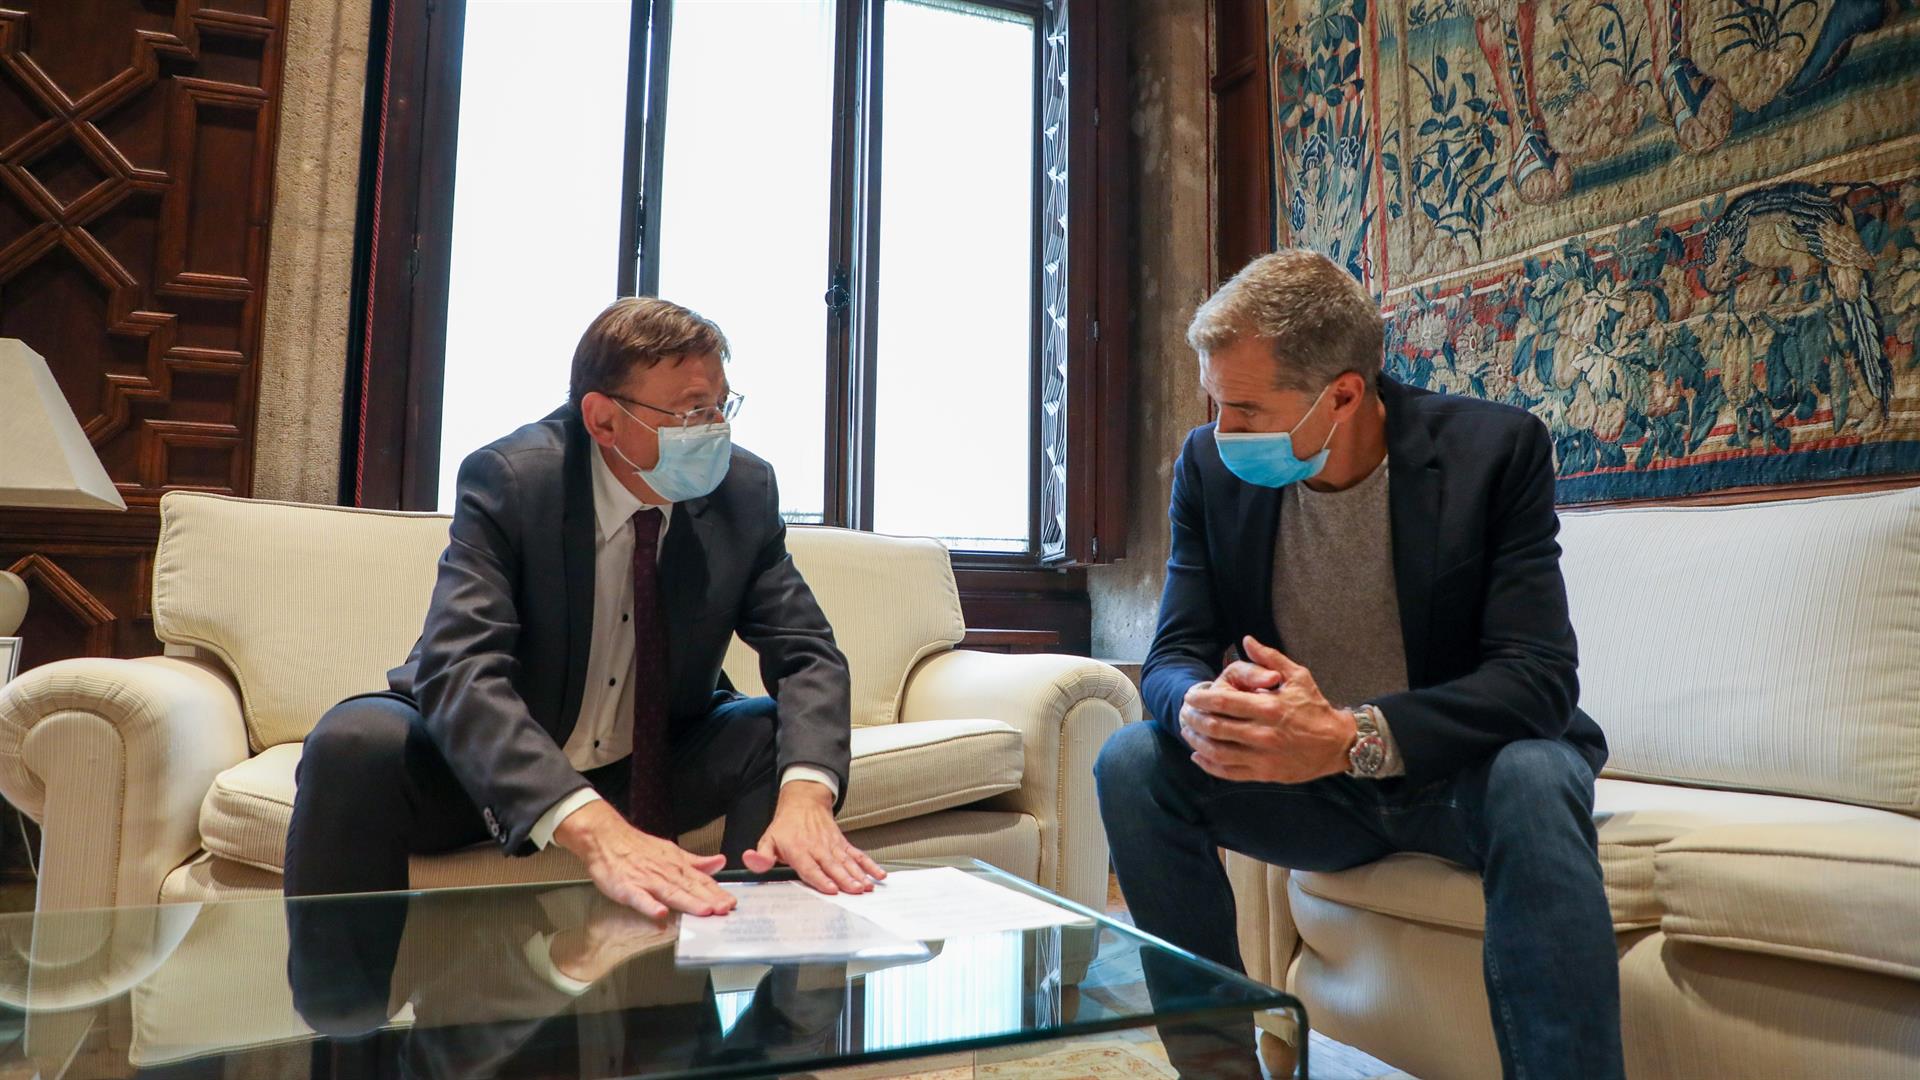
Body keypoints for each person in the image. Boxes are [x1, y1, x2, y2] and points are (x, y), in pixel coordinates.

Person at [1095, 250, 1620, 1078]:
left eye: (1244, 409)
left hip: (1460, 778)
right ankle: (1221, 1070)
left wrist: (1347, 735)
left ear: (1342, 394)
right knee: (1132, 761)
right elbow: (1172, 652)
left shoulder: (1496, 452)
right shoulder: (1208, 470)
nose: (1220, 432)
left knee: (1537, 773)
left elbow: (1539, 678)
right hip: (1317, 797)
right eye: (1217, 406)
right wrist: (1195, 701)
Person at [284, 296, 884, 919]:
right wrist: (595, 829)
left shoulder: (743, 491)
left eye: (719, 407)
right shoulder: (515, 481)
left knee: (772, 735)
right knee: (353, 742)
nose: (713, 431)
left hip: (650, 759)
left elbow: (808, 654)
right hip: (496, 764)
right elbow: (459, 668)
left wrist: (808, 799)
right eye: (689, 412)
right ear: (603, 421)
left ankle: (753, 961)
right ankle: (345, 1016)